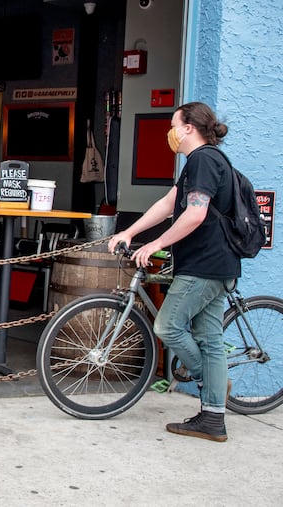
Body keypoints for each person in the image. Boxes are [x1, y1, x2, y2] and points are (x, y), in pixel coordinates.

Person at [108, 102, 239, 442]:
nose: (170, 132)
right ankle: (213, 420)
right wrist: (130, 233)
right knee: (210, 341)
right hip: (211, 264)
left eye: (172, 125)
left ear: (188, 128)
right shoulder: (198, 163)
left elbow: (195, 214)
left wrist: (154, 245)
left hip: (205, 266)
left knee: (167, 325)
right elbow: (168, 205)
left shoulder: (204, 160)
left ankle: (210, 384)